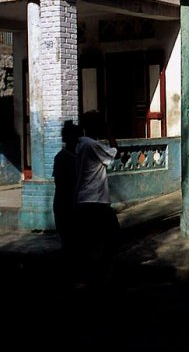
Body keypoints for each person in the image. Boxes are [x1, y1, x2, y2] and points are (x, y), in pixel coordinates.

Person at [73, 110, 120, 288]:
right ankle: (96, 276)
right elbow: (115, 152)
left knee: (90, 239)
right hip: (96, 200)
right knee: (107, 236)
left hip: (85, 199)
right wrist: (109, 133)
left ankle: (89, 276)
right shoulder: (92, 145)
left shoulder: (82, 144)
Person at [52, 120, 82, 258]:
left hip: (69, 203)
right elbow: (62, 183)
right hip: (66, 203)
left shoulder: (73, 156)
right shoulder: (63, 157)